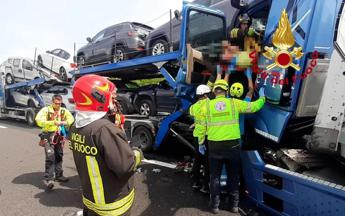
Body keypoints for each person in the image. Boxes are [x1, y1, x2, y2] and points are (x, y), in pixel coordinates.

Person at [68, 74, 143, 216]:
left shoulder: (74, 126)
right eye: (111, 97)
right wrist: (136, 152)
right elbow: (125, 167)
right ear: (99, 97)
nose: (113, 101)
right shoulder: (105, 130)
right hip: (113, 204)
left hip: (91, 200)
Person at [199, 79, 265, 214]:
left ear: (214, 91)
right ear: (227, 91)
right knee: (233, 176)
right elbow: (254, 107)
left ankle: (215, 206)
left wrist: (201, 143)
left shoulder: (206, 106)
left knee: (215, 176)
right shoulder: (234, 103)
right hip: (233, 146)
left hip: (214, 146)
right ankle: (234, 205)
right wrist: (263, 97)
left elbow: (201, 127)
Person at [35, 94, 74, 190]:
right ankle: (49, 179)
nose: (58, 105)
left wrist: (64, 122)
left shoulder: (63, 111)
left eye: (60, 103)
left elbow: (71, 119)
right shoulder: (46, 110)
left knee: (59, 155)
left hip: (59, 136)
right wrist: (52, 122)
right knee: (50, 156)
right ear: (52, 102)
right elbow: (38, 120)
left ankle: (59, 175)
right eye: (56, 103)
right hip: (48, 136)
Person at [189, 84, 211, 193]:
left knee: (197, 160)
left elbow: (195, 117)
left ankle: (195, 182)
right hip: (205, 137)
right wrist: (203, 142)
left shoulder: (193, 106)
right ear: (206, 94)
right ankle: (205, 186)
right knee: (207, 163)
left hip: (196, 136)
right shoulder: (209, 105)